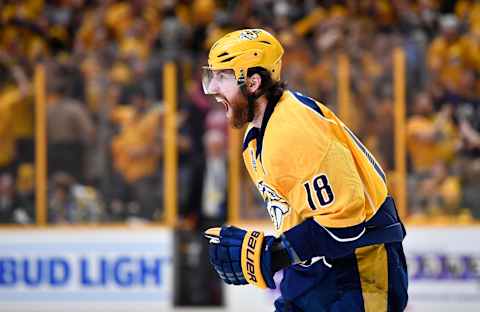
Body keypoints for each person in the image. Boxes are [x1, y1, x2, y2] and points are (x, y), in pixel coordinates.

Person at [202, 29, 408, 312]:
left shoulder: (294, 129)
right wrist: (278, 253)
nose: (212, 87)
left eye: (221, 77)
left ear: (252, 82)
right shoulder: (256, 137)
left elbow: (346, 225)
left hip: (359, 267)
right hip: (314, 270)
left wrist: (273, 254)